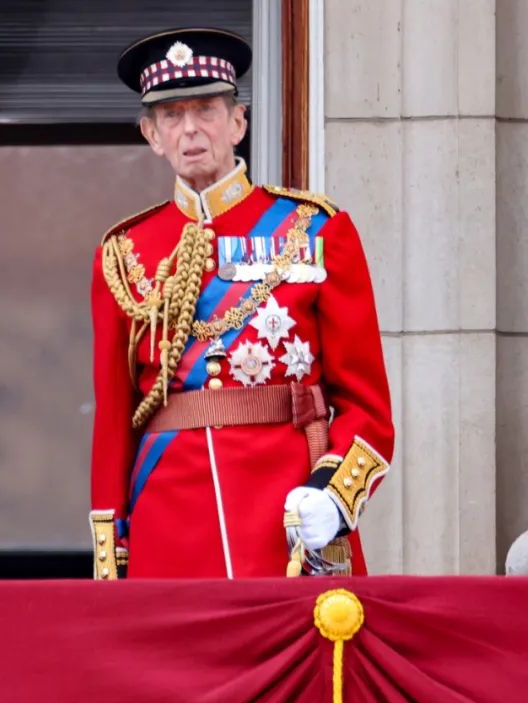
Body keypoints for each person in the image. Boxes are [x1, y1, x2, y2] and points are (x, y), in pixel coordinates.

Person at [89, 29, 394, 579]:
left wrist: (334, 495)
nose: (190, 129)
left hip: (289, 516)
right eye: (171, 115)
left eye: (205, 109)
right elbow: (114, 425)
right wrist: (115, 560)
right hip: (169, 528)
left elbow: (368, 407)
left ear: (238, 122)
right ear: (151, 134)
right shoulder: (125, 253)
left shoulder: (315, 230)